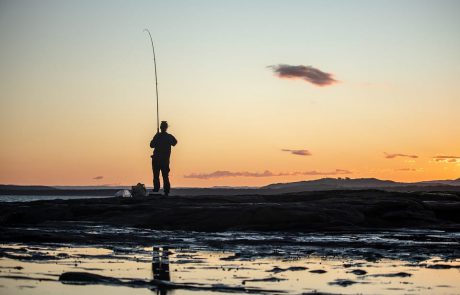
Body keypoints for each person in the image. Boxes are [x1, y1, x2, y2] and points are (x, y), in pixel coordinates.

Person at [150, 121, 177, 196]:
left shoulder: (157, 136)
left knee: (156, 175)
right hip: (164, 160)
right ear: (166, 128)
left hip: (156, 159)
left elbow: (151, 145)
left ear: (161, 127)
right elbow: (175, 143)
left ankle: (156, 189)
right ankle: (166, 191)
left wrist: (156, 136)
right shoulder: (169, 136)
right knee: (165, 176)